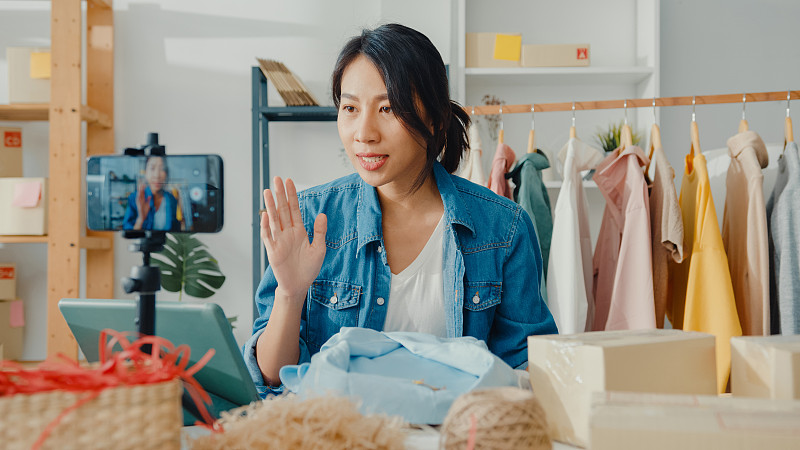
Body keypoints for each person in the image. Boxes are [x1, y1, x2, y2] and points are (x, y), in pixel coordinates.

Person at [244, 23, 557, 395]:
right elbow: (271, 379)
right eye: (350, 108)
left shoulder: (503, 229)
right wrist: (290, 294)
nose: (364, 133)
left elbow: (525, 373)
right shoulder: (311, 221)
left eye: (387, 108)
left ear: (435, 118)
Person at [122, 155, 181, 231]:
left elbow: (174, 229)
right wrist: (141, 219)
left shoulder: (171, 199)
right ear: (145, 172)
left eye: (162, 169)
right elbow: (128, 233)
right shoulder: (135, 198)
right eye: (152, 168)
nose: (157, 175)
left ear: (166, 173)